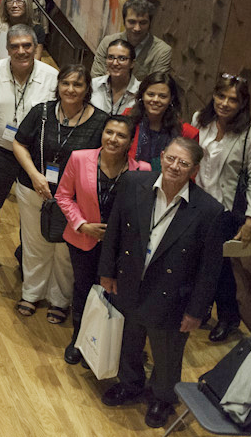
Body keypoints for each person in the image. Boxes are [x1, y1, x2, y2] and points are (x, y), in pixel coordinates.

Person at [99, 137, 228, 429]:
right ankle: (130, 384)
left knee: (167, 353)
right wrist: (107, 271)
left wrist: (196, 311)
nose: (174, 166)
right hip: (130, 281)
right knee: (129, 340)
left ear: (193, 170)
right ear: (161, 156)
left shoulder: (209, 210)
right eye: (171, 158)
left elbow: (210, 269)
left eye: (183, 163)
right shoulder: (133, 183)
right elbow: (115, 230)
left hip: (172, 296)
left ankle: (162, 398)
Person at [10, 65, 107, 323]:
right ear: (58, 85)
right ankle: (31, 293)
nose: (71, 90)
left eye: (78, 84)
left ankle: (60, 299)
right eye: (66, 83)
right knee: (35, 244)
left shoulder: (101, 121)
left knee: (65, 251)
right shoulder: (41, 112)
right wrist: (34, 175)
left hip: (75, 201)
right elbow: (18, 143)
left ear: (87, 89)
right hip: (35, 189)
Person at [0, 24, 57, 279]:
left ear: (35, 46)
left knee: (33, 211)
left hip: (34, 155)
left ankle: (26, 256)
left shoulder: (51, 77)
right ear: (7, 49)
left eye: (27, 45)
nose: (21, 51)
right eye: (15, 46)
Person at [56, 115, 149, 364]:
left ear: (130, 141)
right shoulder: (79, 158)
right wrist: (83, 225)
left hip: (120, 249)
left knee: (111, 295)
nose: (113, 139)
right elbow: (63, 196)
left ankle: (101, 345)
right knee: (83, 289)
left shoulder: (142, 171)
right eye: (109, 132)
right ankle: (78, 339)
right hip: (83, 239)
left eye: (121, 135)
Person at [191, 73, 251, 343]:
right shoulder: (201, 119)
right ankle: (200, 308)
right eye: (221, 96)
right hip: (197, 202)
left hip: (225, 209)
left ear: (243, 103)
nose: (225, 103)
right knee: (195, 260)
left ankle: (229, 317)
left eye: (233, 99)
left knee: (220, 267)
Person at [88, 0, 173, 81]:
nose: (137, 28)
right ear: (124, 21)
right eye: (132, 22)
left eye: (143, 23)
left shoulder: (162, 51)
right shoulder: (108, 42)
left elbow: (156, 87)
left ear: (150, 23)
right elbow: (95, 79)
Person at [127, 72, 196, 170]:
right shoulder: (127, 119)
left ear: (171, 99)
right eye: (151, 94)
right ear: (142, 95)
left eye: (162, 96)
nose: (155, 100)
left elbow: (189, 171)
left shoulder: (186, 132)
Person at [91, 39, 139, 116]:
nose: (115, 63)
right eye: (110, 57)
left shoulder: (140, 92)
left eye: (122, 58)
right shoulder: (93, 85)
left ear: (132, 63)